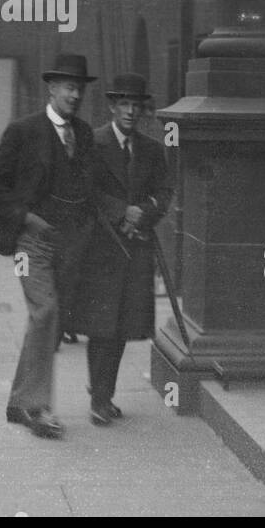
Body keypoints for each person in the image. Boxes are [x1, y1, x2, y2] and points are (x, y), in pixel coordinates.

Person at [0, 52, 97, 440]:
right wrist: (27, 218)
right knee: (45, 312)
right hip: (27, 244)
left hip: (68, 243)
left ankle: (19, 401)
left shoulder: (83, 133)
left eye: (79, 88)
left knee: (47, 318)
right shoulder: (23, 131)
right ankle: (36, 407)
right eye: (68, 87)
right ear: (51, 89)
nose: (75, 94)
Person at [68, 72, 173, 425]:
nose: (130, 111)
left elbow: (164, 192)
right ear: (113, 107)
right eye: (124, 104)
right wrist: (120, 212)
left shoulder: (152, 150)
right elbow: (84, 192)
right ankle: (99, 398)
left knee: (123, 325)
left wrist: (142, 214)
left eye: (136, 105)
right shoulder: (91, 143)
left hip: (136, 247)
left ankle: (103, 393)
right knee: (101, 326)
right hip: (102, 248)